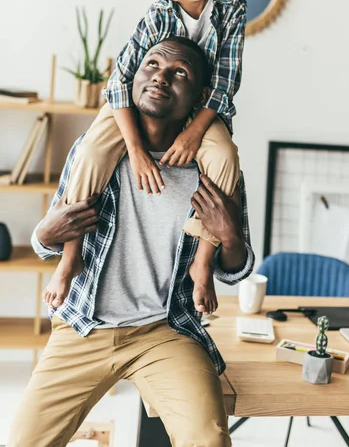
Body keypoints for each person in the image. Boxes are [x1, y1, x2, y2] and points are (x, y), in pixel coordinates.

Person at [8, 37, 254, 447]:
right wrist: (43, 235)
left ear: (198, 98)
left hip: (165, 330)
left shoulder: (212, 166)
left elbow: (236, 267)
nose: (160, 76)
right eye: (152, 65)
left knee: (207, 439)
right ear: (133, 79)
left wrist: (228, 234)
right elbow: (49, 236)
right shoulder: (96, 152)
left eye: (180, 73)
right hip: (83, 325)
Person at [44, 0, 247, 315]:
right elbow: (119, 83)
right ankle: (70, 256)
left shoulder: (232, 7)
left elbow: (225, 83)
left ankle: (202, 263)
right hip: (133, 109)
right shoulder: (157, 17)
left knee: (225, 156)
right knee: (90, 153)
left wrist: (194, 135)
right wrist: (136, 149)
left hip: (200, 107)